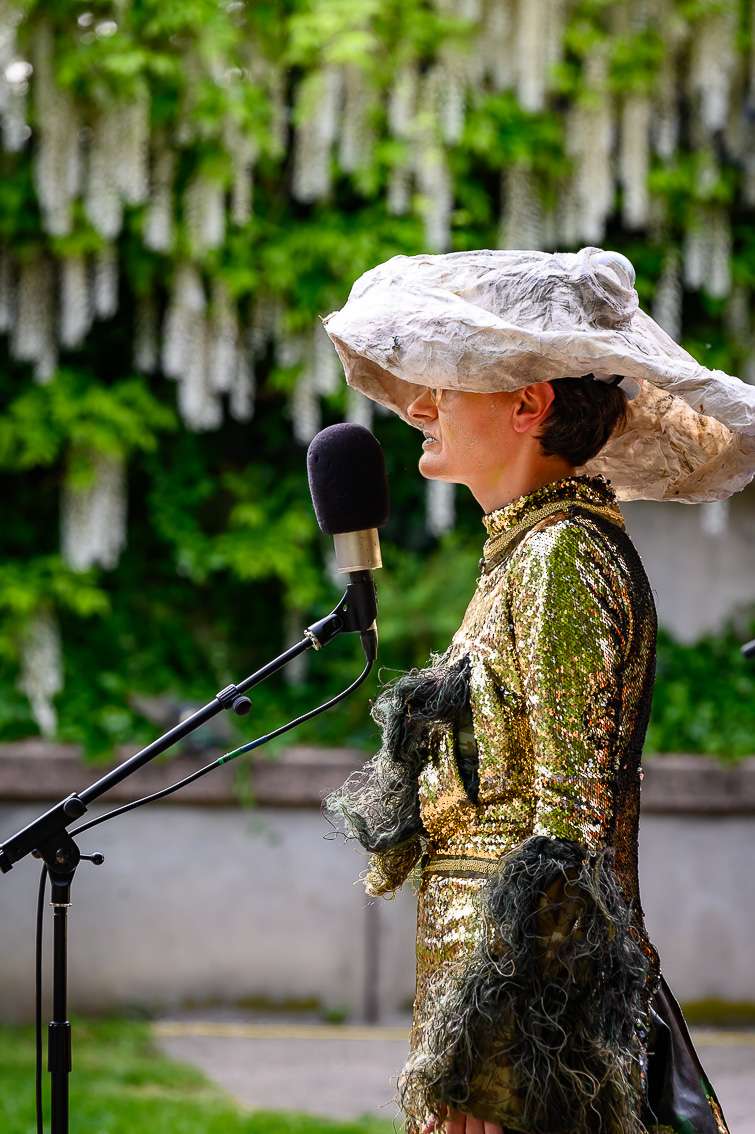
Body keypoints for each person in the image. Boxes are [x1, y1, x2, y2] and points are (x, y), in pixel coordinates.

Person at [320, 247, 752, 1134]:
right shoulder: (528, 549)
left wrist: (492, 1063)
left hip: (526, 1040)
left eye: (446, 381)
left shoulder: (560, 555)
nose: (414, 405)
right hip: (487, 999)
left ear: (528, 403)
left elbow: (571, 832)